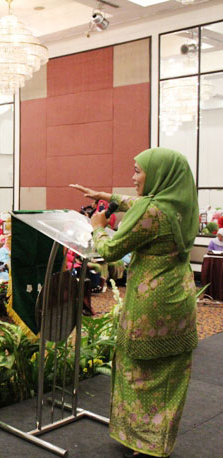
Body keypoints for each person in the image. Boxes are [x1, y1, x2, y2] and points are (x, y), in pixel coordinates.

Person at [70, 147, 199, 458]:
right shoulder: (181, 204)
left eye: (138, 171)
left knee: (136, 369)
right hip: (179, 299)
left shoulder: (151, 211)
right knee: (169, 371)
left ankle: (142, 441)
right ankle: (158, 441)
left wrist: (97, 226)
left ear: (158, 175)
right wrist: (104, 194)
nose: (133, 177)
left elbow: (111, 249)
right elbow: (139, 203)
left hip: (149, 304)